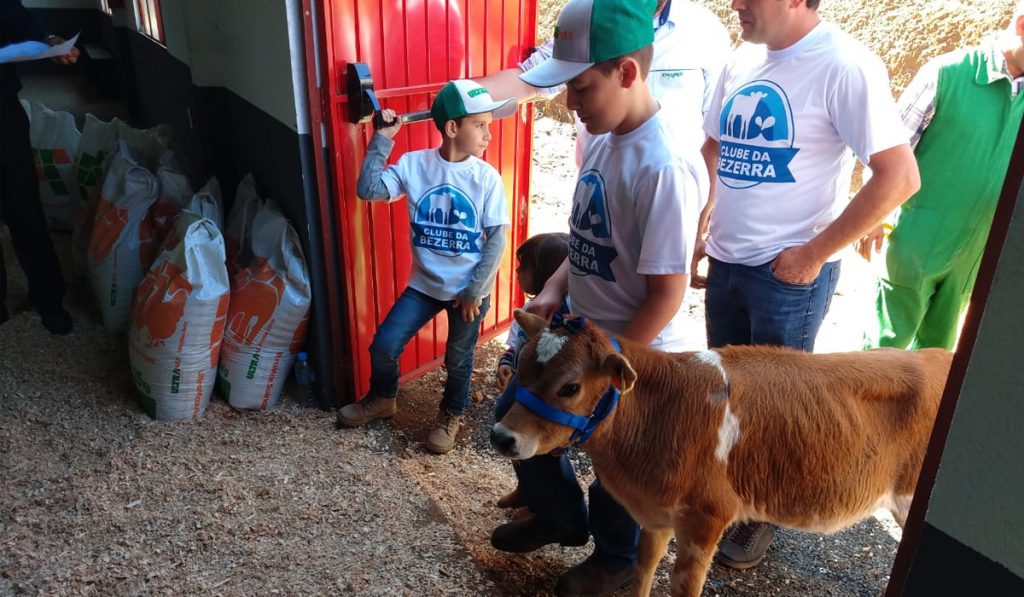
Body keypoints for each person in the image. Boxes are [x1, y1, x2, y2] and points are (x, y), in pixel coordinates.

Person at [690, 0, 921, 570]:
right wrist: (700, 224)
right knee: (726, 389)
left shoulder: (845, 64)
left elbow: (899, 176)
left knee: (779, 409)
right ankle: (724, 494)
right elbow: (715, 147)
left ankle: (761, 514)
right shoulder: (739, 59)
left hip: (786, 275)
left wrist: (815, 254)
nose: (736, 4)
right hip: (727, 261)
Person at [488, 1, 710, 594]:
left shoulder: (663, 166)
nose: (571, 103)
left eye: (581, 87)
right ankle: (560, 518)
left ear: (628, 74)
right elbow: (583, 242)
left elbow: (669, 290)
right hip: (576, 330)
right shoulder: (604, 137)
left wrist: (612, 368)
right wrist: (554, 292)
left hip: (629, 350)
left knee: (621, 473)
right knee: (511, 418)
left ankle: (615, 560)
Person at [336, 80, 516, 454]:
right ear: (452, 128)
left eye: (488, 125)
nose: (488, 135)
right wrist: (383, 138)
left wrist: (474, 292)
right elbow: (368, 189)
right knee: (383, 346)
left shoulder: (486, 178)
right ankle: (383, 398)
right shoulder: (414, 165)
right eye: (480, 125)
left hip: (468, 291)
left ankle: (451, 414)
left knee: (458, 359)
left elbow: (496, 241)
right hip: (424, 286)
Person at [860, 0, 1024, 351]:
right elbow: (887, 151)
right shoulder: (947, 74)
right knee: (882, 354)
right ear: (1022, 25)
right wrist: (869, 219)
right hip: (916, 241)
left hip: (976, 253)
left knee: (936, 360)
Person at [478, 0, 732, 165]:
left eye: (580, 87)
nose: (571, 103)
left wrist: (704, 219)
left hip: (668, 197)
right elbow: (527, 79)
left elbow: (717, 136)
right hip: (596, 191)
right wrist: (455, 98)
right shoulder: (591, 19)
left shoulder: (704, 31)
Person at [0, 0, 79, 333]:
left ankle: (48, 298)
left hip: (1, 112)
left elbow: (20, 20)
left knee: (23, 205)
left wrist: (49, 42)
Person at [493, 232, 569, 516]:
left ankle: (544, 504)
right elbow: (515, 342)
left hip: (540, 399)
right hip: (523, 386)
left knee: (537, 447)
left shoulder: (562, 320)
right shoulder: (529, 309)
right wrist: (506, 361)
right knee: (509, 428)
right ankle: (527, 488)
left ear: (545, 272)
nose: (516, 270)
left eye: (523, 265)